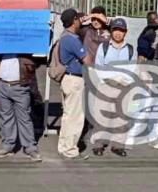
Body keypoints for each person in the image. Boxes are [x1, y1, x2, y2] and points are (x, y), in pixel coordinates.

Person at [91, 17, 136, 157]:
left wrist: (123, 80)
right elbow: (98, 67)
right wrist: (111, 78)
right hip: (106, 85)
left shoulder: (130, 49)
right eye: (115, 30)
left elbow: (133, 69)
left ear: (125, 32)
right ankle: (99, 144)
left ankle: (118, 145)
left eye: (121, 30)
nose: (118, 33)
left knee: (121, 118)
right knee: (102, 117)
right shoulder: (103, 47)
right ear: (111, 31)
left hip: (124, 86)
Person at [0, 53, 43, 162]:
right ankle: (8, 146)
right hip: (2, 84)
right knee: (6, 117)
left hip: (21, 85)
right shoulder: (0, 42)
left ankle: (30, 148)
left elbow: (37, 60)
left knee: (24, 118)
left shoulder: (25, 44)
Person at [56, 8, 92, 158]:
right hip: (75, 79)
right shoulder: (72, 39)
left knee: (68, 114)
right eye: (77, 18)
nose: (79, 21)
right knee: (76, 116)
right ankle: (70, 149)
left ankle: (63, 146)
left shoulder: (64, 37)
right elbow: (87, 60)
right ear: (73, 21)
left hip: (68, 78)